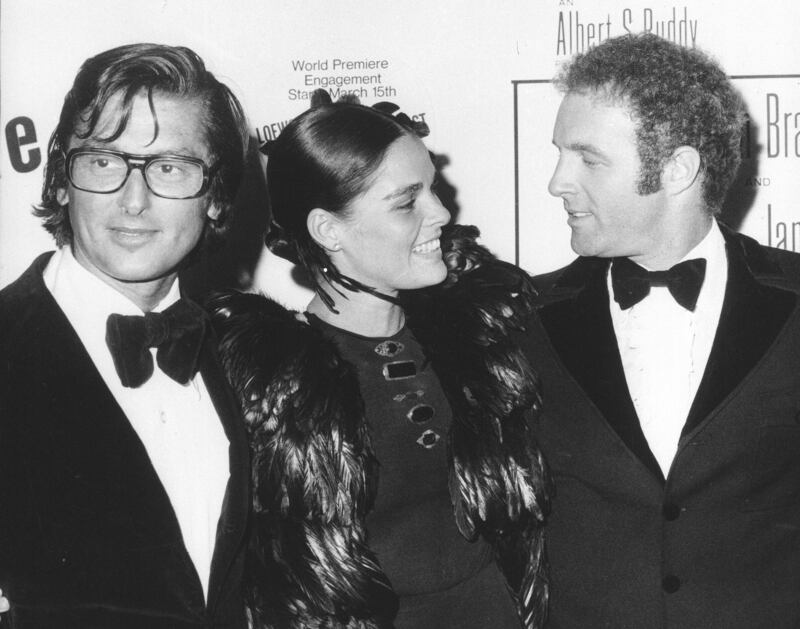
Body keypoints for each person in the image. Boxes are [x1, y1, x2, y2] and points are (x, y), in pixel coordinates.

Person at [209, 92, 550, 628]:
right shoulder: (270, 391)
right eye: (406, 201)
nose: (441, 213)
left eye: (433, 190)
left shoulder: (484, 342)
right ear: (328, 230)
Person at [522, 33, 800, 628]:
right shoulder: (523, 318)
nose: (557, 182)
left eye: (589, 159)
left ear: (678, 169)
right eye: (559, 154)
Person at [0, 43, 251, 628]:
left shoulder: (241, 350)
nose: (133, 201)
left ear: (215, 198)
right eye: (105, 162)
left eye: (170, 167)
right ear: (63, 179)